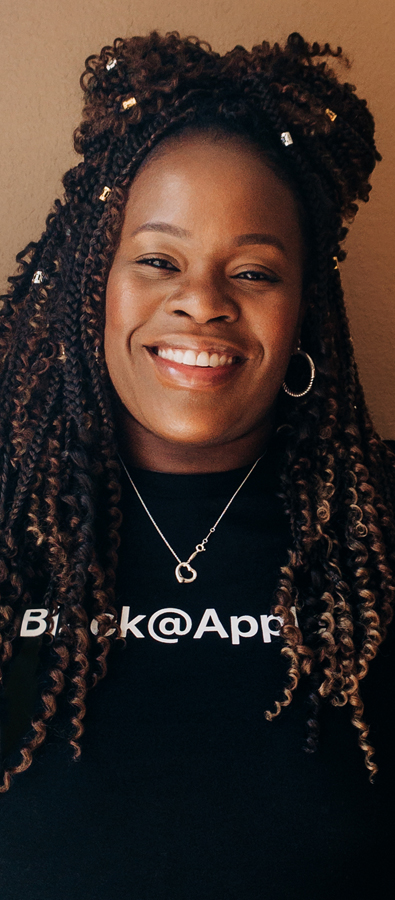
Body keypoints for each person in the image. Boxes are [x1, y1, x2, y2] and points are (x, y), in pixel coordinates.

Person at [0, 30, 394, 900]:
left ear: (305, 312)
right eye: (157, 260)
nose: (203, 302)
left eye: (252, 271)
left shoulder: (380, 536)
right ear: (90, 282)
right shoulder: (8, 523)